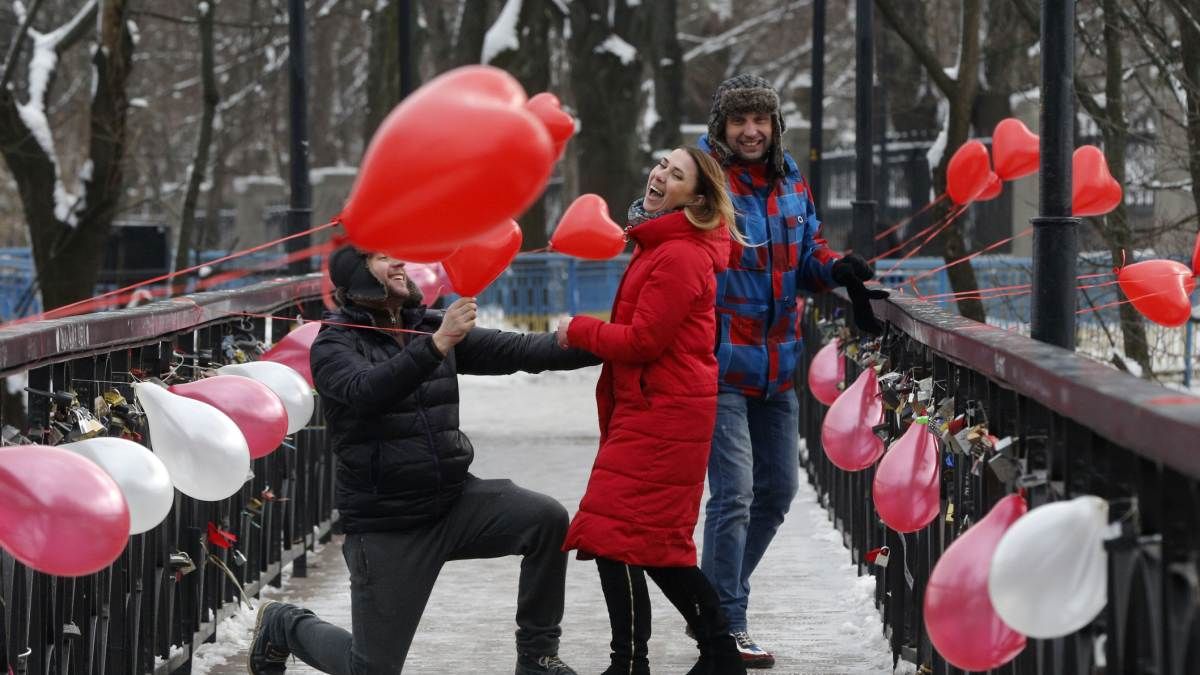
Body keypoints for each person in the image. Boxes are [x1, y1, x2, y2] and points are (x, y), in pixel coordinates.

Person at [247, 245, 598, 675]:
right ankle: (284, 624)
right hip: (388, 523)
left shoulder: (426, 326)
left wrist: (603, 342)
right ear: (357, 277)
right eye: (381, 258)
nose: (398, 263)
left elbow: (518, 350)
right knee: (371, 668)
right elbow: (367, 391)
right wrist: (435, 346)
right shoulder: (335, 343)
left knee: (545, 519)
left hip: (454, 502)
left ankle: (537, 657)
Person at [698, 74, 887, 668]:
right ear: (722, 128)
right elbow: (646, 222)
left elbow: (808, 256)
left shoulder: (791, 182)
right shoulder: (704, 181)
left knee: (777, 490)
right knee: (734, 495)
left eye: (760, 120)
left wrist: (839, 270)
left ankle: (708, 601)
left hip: (777, 367)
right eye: (738, 121)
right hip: (719, 363)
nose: (750, 131)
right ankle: (725, 621)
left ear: (775, 126)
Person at [557, 147, 747, 675]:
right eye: (663, 163)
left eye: (677, 174)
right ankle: (701, 655)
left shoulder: (681, 254)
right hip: (653, 408)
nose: (661, 174)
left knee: (631, 540)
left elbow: (644, 340)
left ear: (697, 199)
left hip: (665, 413)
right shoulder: (661, 246)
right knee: (633, 539)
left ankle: (667, 659)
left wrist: (578, 329)